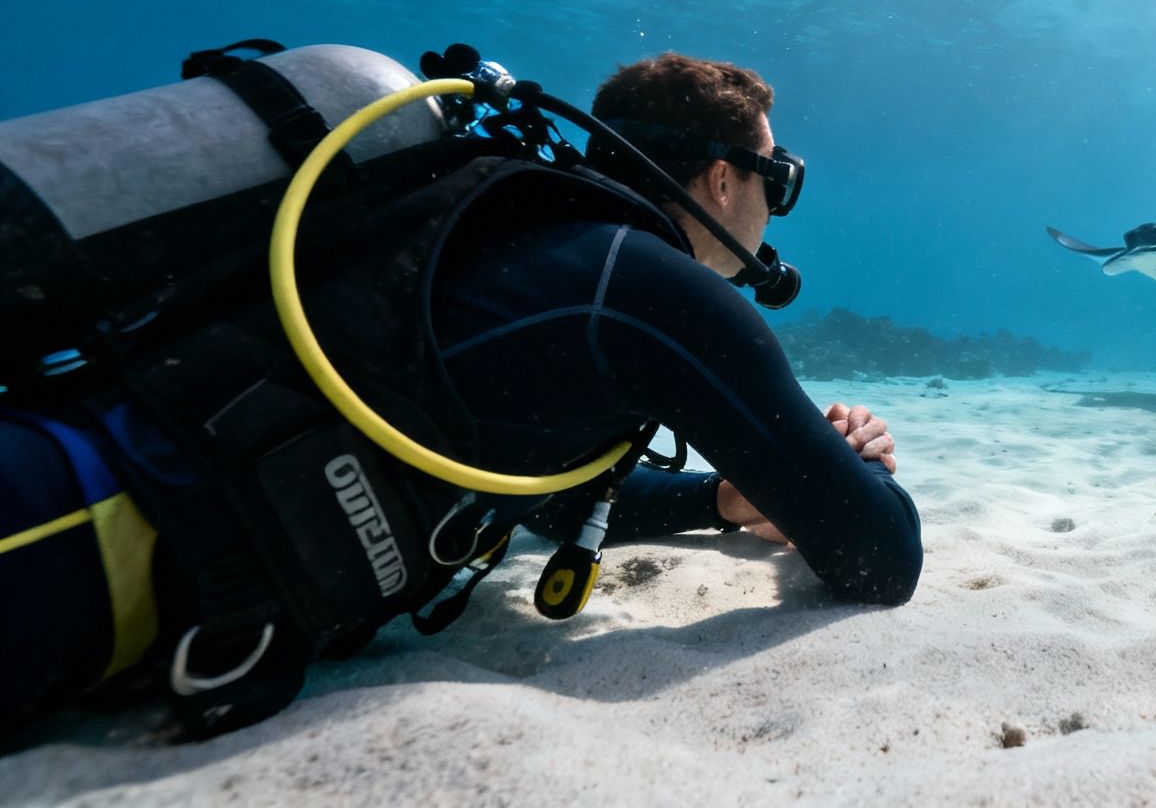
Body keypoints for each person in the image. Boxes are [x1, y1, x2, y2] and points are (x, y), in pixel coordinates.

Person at [1, 50, 921, 740]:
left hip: (86, 469)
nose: (774, 208)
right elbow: (881, 560)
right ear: (724, 176)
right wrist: (853, 471)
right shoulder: (654, 288)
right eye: (778, 181)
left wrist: (721, 501)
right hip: (83, 529)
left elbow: (549, 498)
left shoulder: (517, 233)